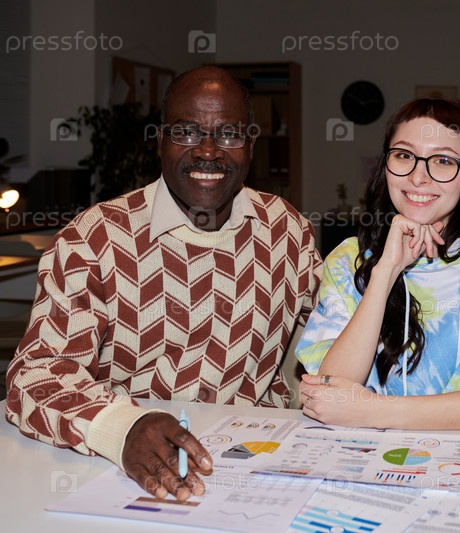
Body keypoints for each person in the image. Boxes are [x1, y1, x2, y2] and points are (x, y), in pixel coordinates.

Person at [5, 66, 322, 499]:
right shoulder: (94, 239)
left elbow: (332, 339)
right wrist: (123, 427)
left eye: (229, 134)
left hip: (257, 463)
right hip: (125, 466)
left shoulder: (287, 230)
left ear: (251, 145)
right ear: (159, 141)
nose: (208, 151)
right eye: (187, 132)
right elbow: (36, 375)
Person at [295, 98, 460, 430]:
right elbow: (328, 393)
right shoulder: (347, 259)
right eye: (404, 155)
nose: (418, 177)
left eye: (443, 161)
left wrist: (373, 411)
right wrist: (385, 271)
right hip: (365, 452)